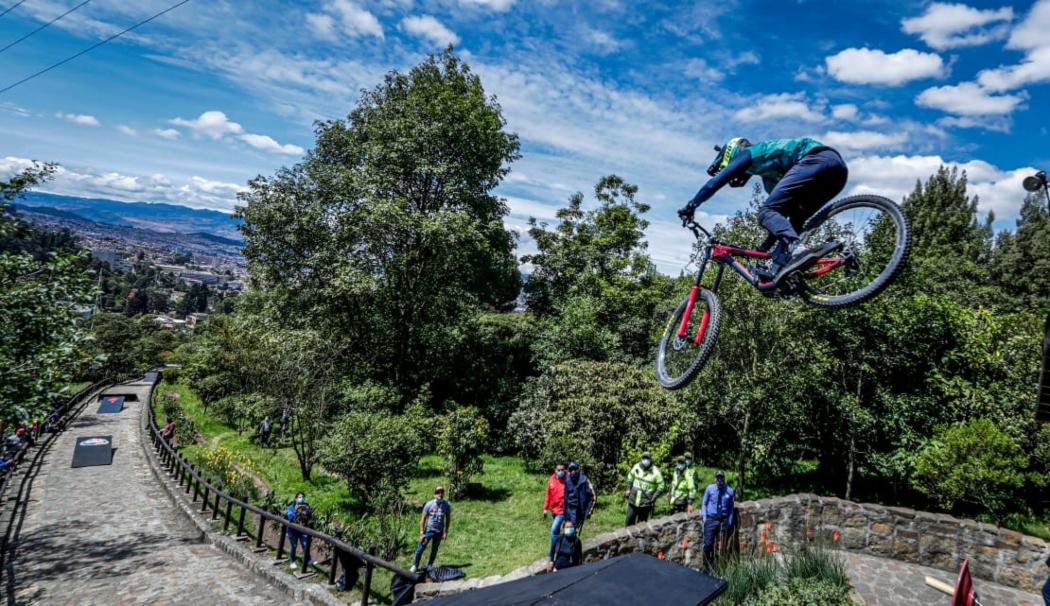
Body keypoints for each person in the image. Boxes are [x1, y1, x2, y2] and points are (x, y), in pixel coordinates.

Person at [677, 137, 848, 285]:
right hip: (837, 172)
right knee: (794, 221)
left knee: (766, 212)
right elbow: (780, 218)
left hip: (817, 159)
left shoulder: (750, 152)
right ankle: (833, 252)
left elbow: (714, 183)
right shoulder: (770, 177)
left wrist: (691, 205)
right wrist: (763, 249)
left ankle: (798, 248)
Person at [411, 486, 451, 573]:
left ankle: (429, 565)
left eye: (442, 492)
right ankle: (415, 565)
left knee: (434, 549)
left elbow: (448, 519)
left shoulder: (446, 505)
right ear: (434, 494)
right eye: (438, 492)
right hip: (428, 531)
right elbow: (423, 520)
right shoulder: (429, 504)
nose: (440, 494)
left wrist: (446, 532)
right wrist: (422, 533)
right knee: (420, 549)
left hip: (439, 532)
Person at [701, 471, 735, 570]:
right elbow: (704, 503)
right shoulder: (710, 489)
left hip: (723, 521)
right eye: (718, 478)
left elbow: (731, 508)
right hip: (711, 519)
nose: (720, 480)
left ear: (724, 479)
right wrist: (704, 517)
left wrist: (729, 521)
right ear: (715, 479)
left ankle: (717, 567)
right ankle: (706, 565)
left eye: (721, 478)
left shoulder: (730, 491)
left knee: (720, 546)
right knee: (708, 544)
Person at [625, 451, 665, 526]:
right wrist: (628, 489)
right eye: (644, 458)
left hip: (646, 502)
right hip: (633, 500)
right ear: (641, 459)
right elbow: (630, 477)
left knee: (642, 525)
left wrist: (654, 497)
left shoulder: (655, 472)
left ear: (650, 459)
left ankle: (640, 537)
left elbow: (661, 485)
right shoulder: (636, 466)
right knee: (629, 521)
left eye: (647, 458)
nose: (645, 460)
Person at [563, 462, 595, 532]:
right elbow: (565, 498)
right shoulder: (567, 481)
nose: (573, 472)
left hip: (579, 511)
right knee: (567, 532)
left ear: (578, 470)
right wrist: (564, 513)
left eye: (575, 469)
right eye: (571, 470)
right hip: (569, 511)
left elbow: (593, 497)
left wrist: (588, 511)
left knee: (573, 532)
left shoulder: (584, 480)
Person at [286, 492, 314, 570]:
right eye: (299, 497)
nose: (301, 498)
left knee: (305, 544)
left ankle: (308, 560)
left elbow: (310, 513)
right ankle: (292, 561)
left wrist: (307, 510)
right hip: (293, 530)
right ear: (296, 498)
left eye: (302, 497)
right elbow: (290, 517)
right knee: (294, 546)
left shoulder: (306, 505)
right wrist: (296, 511)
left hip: (302, 529)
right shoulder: (291, 507)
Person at [543, 462, 567, 551]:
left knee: (553, 530)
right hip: (554, 510)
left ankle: (552, 552)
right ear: (555, 470)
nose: (560, 471)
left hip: (562, 510)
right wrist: (545, 508)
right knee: (557, 531)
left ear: (565, 470)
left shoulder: (568, 479)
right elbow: (548, 495)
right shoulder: (551, 479)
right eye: (558, 470)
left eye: (562, 470)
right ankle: (559, 547)